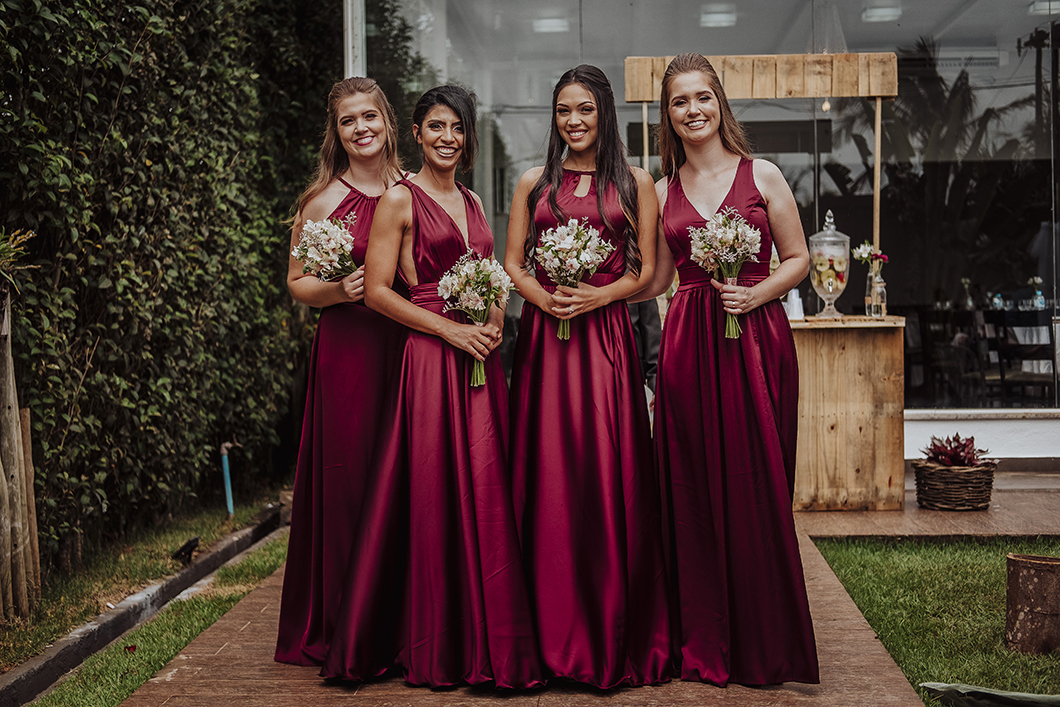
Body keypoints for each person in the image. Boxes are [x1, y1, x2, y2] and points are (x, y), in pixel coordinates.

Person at [320, 85, 543, 689]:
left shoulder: (472, 199)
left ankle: (486, 637)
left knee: (483, 489)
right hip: (429, 356)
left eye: (458, 128)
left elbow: (489, 275)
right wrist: (449, 329)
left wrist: (493, 320)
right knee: (434, 491)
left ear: (468, 138)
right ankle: (436, 642)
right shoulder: (400, 198)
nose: (448, 138)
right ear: (416, 133)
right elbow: (377, 291)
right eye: (437, 127)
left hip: (478, 360)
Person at [634, 52, 819, 686]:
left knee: (758, 484)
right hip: (688, 347)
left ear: (720, 103)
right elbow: (657, 279)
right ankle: (706, 639)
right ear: (668, 115)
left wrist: (755, 293)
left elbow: (798, 259)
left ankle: (765, 642)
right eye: (679, 102)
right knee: (692, 489)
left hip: (758, 340)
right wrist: (582, 290)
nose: (693, 110)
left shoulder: (763, 175)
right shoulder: (662, 191)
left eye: (702, 97)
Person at [503, 65, 670, 688]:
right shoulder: (533, 182)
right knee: (548, 471)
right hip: (546, 344)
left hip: (605, 342)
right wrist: (546, 302)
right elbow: (513, 264)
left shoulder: (635, 182)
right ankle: (546, 632)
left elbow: (643, 273)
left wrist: (597, 298)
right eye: (564, 111)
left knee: (604, 468)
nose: (574, 121)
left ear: (604, 113)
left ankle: (608, 629)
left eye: (585, 109)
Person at [274, 77, 408, 667]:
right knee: (351, 477)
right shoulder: (322, 201)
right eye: (348, 120)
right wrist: (337, 290)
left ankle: (406, 624)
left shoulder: (414, 190)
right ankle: (348, 624)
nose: (361, 128)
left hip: (407, 346)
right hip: (349, 352)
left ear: (387, 121)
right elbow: (297, 282)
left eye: (369, 116)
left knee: (407, 474)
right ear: (336, 132)